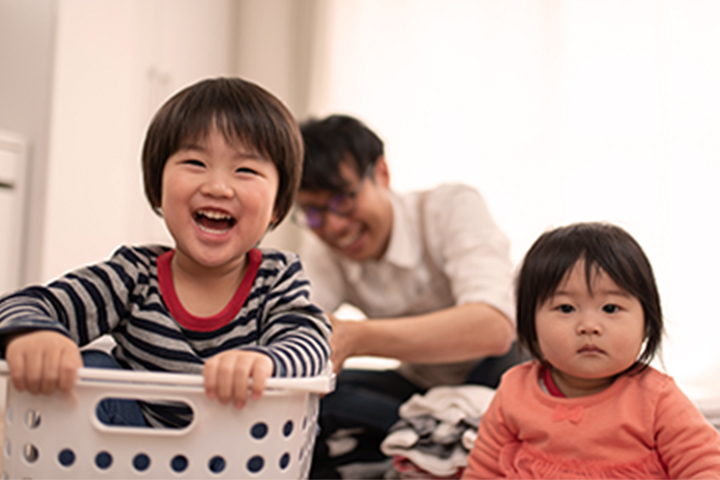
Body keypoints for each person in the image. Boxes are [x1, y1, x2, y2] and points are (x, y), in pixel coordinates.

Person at [0, 77, 331, 428]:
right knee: (91, 366)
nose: (217, 186)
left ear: (278, 207)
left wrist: (265, 363)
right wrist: (35, 336)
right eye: (195, 163)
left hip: (239, 455)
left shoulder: (277, 278)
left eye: (245, 170)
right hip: (130, 458)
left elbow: (311, 342)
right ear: (157, 188)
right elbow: (21, 304)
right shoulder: (133, 275)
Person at [294, 114, 521, 478]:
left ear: (381, 173)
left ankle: (436, 438)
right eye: (313, 212)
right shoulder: (324, 250)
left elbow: (493, 327)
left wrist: (355, 337)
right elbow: (299, 319)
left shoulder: (449, 208)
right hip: (420, 386)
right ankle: (433, 438)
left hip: (499, 375)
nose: (334, 225)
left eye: (343, 200)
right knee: (310, 398)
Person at [463, 222, 720, 479]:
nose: (589, 327)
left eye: (610, 308)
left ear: (647, 323)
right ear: (530, 322)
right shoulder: (514, 390)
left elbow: (705, 466)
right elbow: (483, 470)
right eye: (566, 308)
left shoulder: (656, 399)